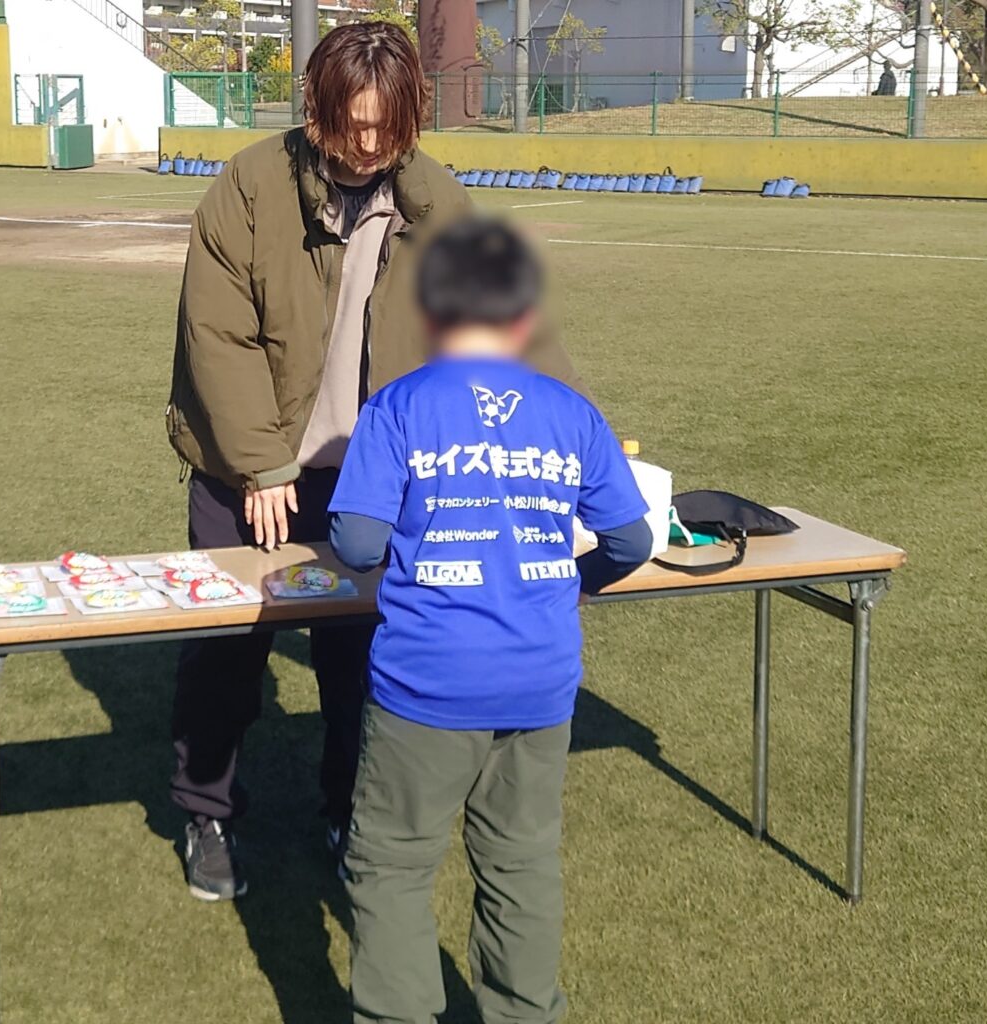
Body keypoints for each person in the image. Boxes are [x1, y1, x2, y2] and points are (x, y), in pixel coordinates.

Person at [165, 23, 578, 902]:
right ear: (315, 109)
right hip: (251, 473)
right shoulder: (249, 186)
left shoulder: (438, 201)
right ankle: (207, 811)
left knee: (360, 656)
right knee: (227, 650)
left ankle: (345, 807)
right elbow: (217, 335)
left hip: (371, 481)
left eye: (384, 127)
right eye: (349, 123)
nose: (365, 143)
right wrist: (261, 464)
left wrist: (575, 440)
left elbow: (505, 325)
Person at [327, 217, 653, 1024]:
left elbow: (358, 542)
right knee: (520, 863)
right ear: (524, 318)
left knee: (393, 864)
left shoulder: (398, 406)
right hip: (540, 679)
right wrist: (573, 580)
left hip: (426, 681)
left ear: (431, 314)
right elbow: (632, 540)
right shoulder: (571, 412)